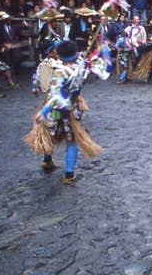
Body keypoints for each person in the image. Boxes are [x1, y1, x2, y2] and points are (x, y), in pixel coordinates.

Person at [23, 41, 104, 184]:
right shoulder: (81, 66)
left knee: (49, 134)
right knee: (70, 139)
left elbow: (54, 95)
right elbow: (100, 71)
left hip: (54, 109)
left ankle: (48, 161)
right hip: (72, 108)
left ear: (59, 55)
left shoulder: (58, 70)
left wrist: (43, 111)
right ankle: (68, 174)